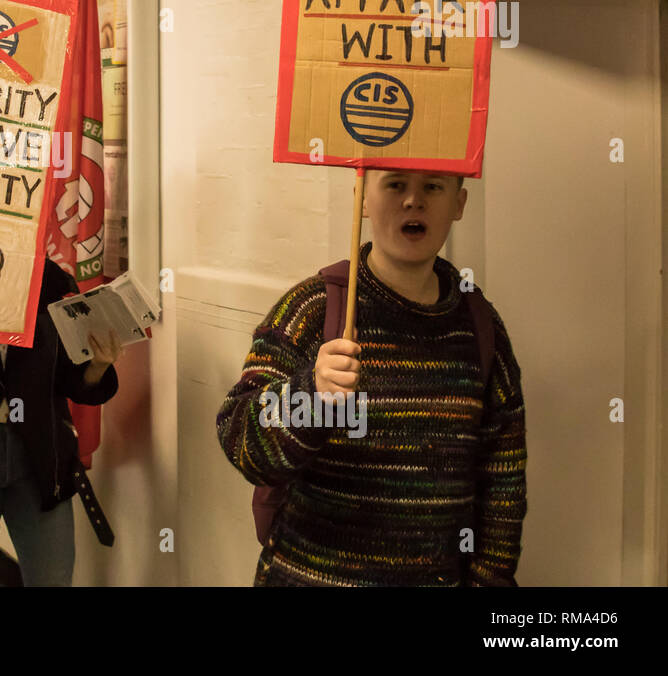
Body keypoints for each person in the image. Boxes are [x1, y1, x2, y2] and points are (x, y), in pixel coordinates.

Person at [216, 171, 526, 586]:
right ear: (362, 198)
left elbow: (503, 480)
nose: (414, 200)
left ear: (459, 203)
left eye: (433, 187)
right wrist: (310, 397)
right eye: (395, 184)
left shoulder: (479, 325)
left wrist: (489, 579)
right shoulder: (312, 309)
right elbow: (240, 442)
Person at [0, 257, 121, 586]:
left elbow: (73, 379)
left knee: (52, 578)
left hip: (39, 453)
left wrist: (98, 365)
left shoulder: (50, 280)